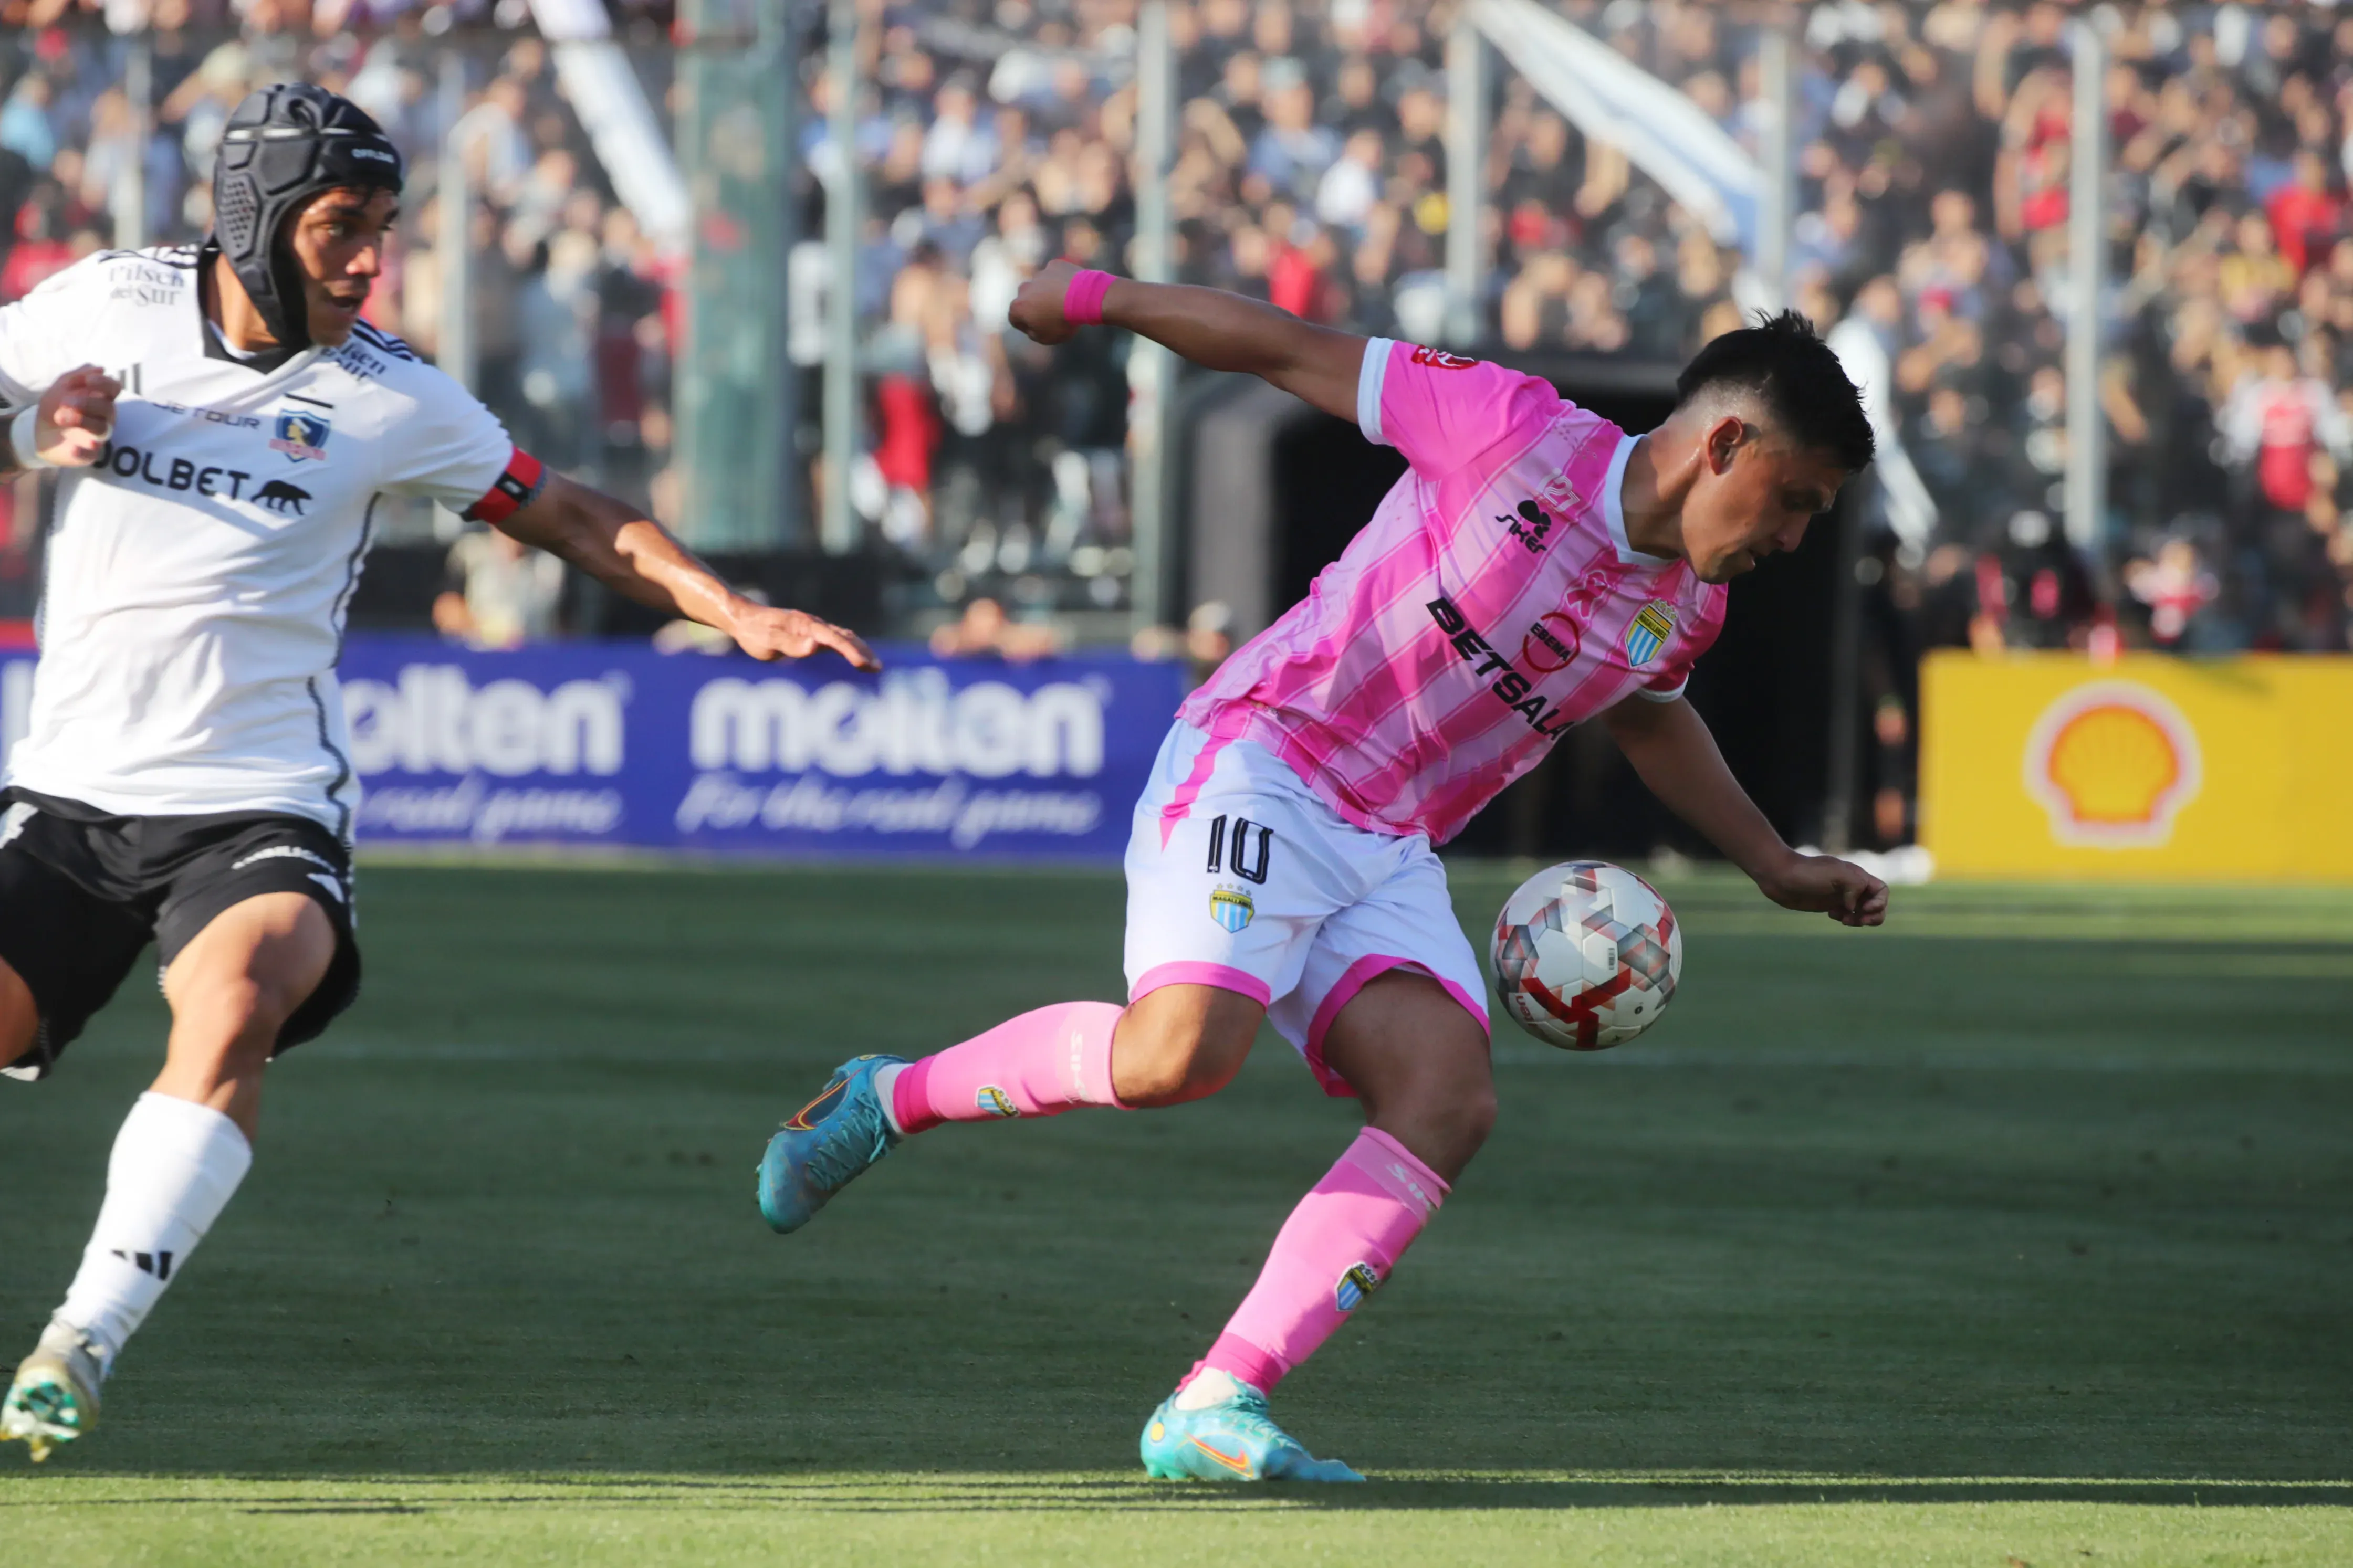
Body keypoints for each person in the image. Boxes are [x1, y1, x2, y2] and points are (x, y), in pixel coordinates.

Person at [755, 261, 1887, 1483]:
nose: (1790, 536)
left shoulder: (1683, 610)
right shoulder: (1508, 429)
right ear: (1724, 441)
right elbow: (1284, 348)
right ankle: (888, 1095)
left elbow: (1649, 716)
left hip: (1387, 844)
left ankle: (1213, 1400)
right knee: (1173, 1059)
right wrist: (1095, 297)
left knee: (1448, 1098)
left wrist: (1771, 861)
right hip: (1265, 755)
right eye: (1796, 499)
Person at [0, 85, 876, 1464]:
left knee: (235, 999)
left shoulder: (390, 395)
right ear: (256, 224)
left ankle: (77, 1345)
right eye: (342, 229)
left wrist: (731, 608)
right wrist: (28, 424)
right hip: (65, 800)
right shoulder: (105, 303)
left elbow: (575, 511)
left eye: (385, 231)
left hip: (260, 802)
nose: (370, 260)